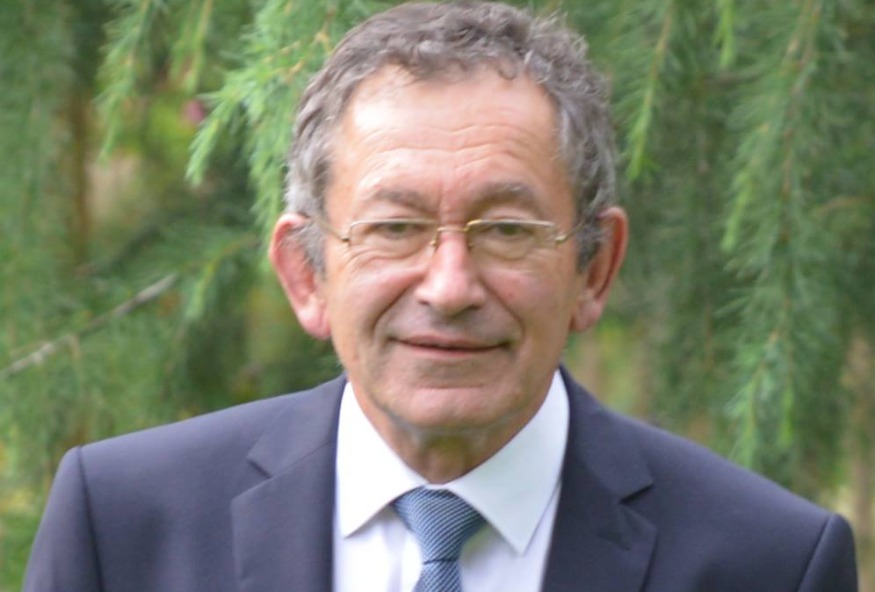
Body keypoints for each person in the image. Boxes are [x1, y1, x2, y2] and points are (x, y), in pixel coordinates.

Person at [24, 2, 858, 591]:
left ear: (593, 270)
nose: (450, 286)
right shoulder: (125, 528)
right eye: (394, 227)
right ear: (307, 274)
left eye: (506, 229)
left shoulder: (768, 564)